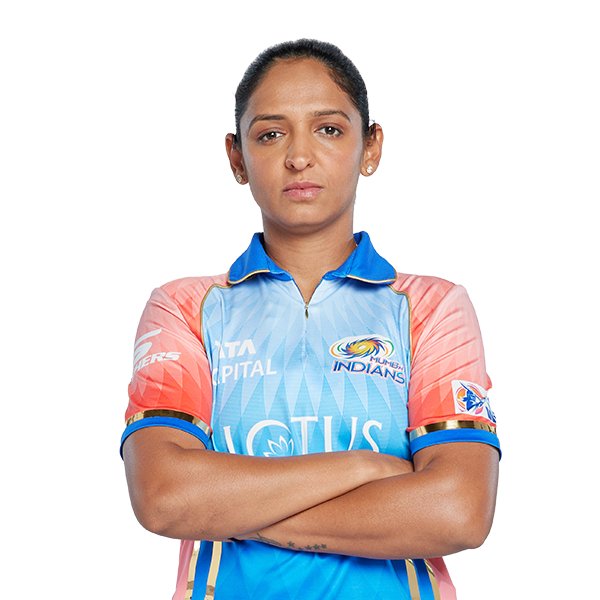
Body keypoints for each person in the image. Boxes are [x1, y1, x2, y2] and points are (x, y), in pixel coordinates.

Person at [120, 38, 500, 600]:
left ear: (371, 146)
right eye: (270, 134)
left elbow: (458, 511)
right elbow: (164, 498)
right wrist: (365, 467)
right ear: (236, 157)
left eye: (328, 129)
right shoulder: (185, 307)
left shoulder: (431, 307)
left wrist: (226, 507)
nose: (299, 156)